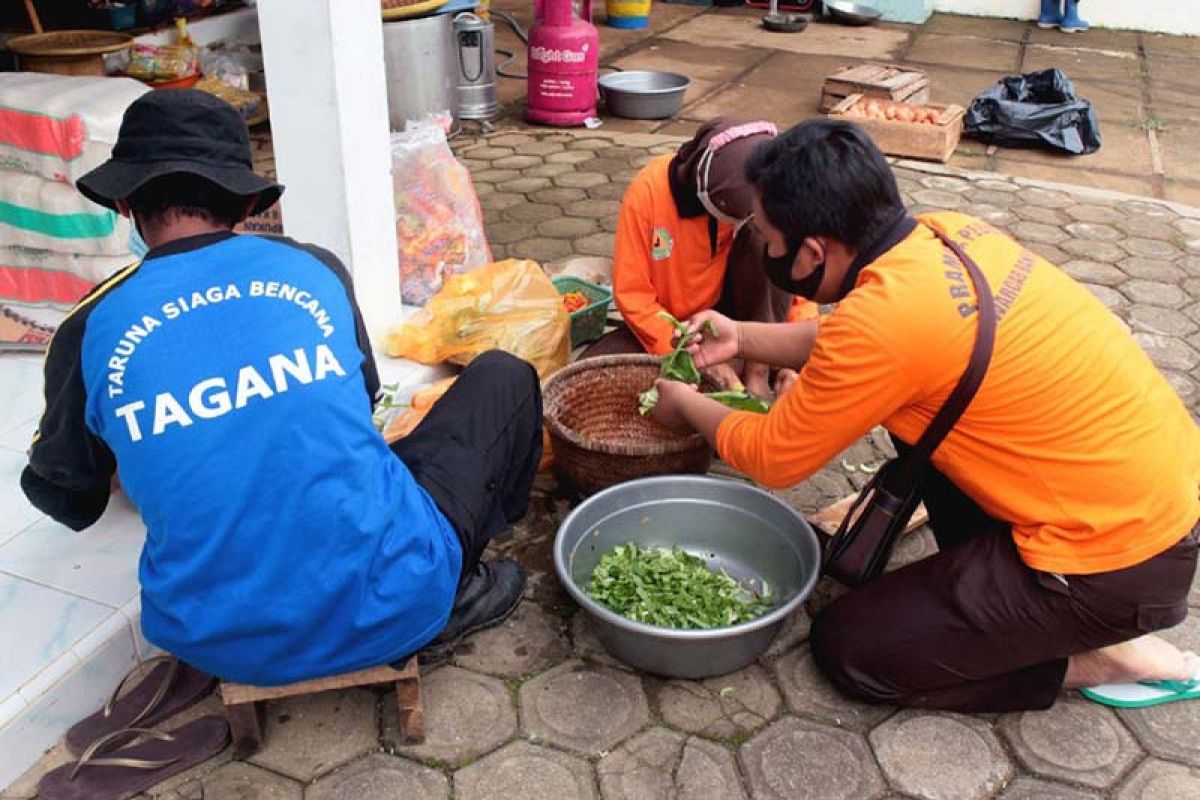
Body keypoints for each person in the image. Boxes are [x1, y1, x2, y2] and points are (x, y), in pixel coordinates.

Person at [649, 118, 1200, 713]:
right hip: (1149, 504)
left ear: (813, 252)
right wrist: (744, 338)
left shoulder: (884, 323)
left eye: (768, 237)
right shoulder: (947, 234)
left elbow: (772, 457)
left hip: (1115, 563)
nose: (763, 247)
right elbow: (854, 341)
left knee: (851, 649)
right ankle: (1010, 607)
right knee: (923, 419)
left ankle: (1104, 656)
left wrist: (685, 404)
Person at [20, 90, 541, 690]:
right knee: (502, 376)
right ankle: (456, 585)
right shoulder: (313, 268)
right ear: (244, 201)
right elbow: (364, 398)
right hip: (396, 601)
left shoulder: (89, 325)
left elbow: (66, 497)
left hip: (219, 645)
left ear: (123, 200)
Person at [583, 117, 817, 397]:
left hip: (738, 316)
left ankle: (760, 370)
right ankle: (736, 362)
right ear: (713, 202)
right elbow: (633, 296)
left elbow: (796, 282)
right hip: (675, 326)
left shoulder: (764, 201)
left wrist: (796, 361)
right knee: (592, 374)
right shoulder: (647, 194)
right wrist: (689, 354)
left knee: (761, 240)